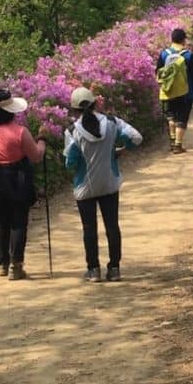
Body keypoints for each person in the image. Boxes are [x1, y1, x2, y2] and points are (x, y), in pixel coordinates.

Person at [63, 87, 143, 283]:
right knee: (112, 226)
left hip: (85, 187)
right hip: (109, 183)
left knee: (89, 228)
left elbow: (70, 163)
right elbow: (136, 137)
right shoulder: (112, 123)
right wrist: (121, 150)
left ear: (74, 110)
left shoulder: (72, 131)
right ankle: (114, 268)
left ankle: (93, 270)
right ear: (95, 103)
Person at [0, 89, 46, 281]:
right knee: (18, 222)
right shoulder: (20, 132)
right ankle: (17, 264)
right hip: (18, 178)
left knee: (1, 221)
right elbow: (36, 156)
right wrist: (42, 140)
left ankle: (2, 264)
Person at [155, 28, 193, 154]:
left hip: (168, 90)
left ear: (171, 39)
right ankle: (178, 145)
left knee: (171, 116)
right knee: (182, 118)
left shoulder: (164, 54)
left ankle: (172, 140)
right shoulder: (188, 55)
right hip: (186, 92)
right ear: (183, 40)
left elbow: (158, 72)